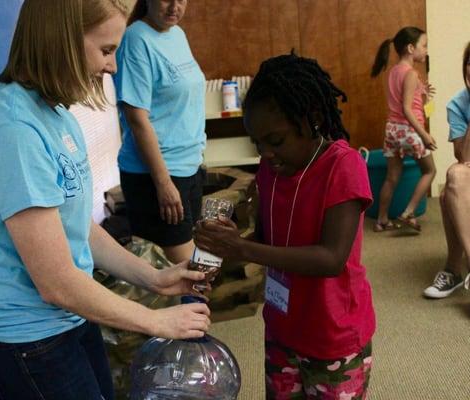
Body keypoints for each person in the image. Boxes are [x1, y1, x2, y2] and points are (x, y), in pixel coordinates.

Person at [0, 1, 210, 399]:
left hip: (68, 320)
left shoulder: (55, 113)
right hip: (24, 341)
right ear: (63, 42)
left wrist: (152, 278)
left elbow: (75, 227)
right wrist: (156, 322)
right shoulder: (13, 131)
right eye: (107, 51)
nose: (112, 67)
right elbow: (56, 283)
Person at [194, 54, 375, 399]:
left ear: (314, 120)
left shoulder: (343, 167)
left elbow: (331, 258)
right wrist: (218, 255)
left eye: (275, 141)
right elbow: (265, 242)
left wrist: (242, 248)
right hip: (282, 327)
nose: (266, 154)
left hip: (332, 336)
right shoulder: (269, 171)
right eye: (257, 144)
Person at [113, 0, 206, 263]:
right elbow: (136, 118)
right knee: (188, 273)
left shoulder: (177, 34)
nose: (175, 7)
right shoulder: (136, 40)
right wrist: (163, 183)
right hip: (156, 174)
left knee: (197, 267)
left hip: (189, 166)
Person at [370, 26, 437, 232]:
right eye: (423, 45)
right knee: (430, 170)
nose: (426, 50)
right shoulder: (411, 73)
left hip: (392, 130)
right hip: (409, 130)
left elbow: (403, 99)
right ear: (410, 48)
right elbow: (407, 109)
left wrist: (422, 92)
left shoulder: (394, 72)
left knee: (392, 176)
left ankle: (381, 219)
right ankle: (408, 212)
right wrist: (424, 134)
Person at [424, 41, 470, 298]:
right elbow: (463, 157)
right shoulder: (458, 104)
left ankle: (453, 268)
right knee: (454, 175)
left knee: (445, 196)